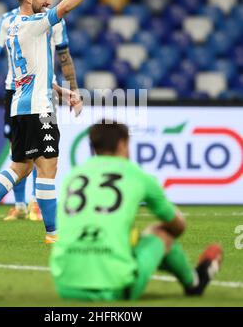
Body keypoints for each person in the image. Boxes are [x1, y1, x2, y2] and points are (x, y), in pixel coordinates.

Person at [0, 0, 108, 245]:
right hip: (39, 111)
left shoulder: (14, 27)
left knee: (21, 167)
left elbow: (31, 72)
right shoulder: (36, 25)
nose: (49, 0)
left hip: (21, 107)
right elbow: (66, 7)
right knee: (48, 167)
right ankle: (53, 234)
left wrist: (59, 89)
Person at [50, 120, 223, 300]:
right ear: (122, 144)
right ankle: (194, 282)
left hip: (65, 285)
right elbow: (178, 227)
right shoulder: (137, 175)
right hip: (115, 288)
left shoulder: (72, 176)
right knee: (160, 233)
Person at [0, 0, 82, 222]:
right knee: (32, 156)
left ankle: (32, 203)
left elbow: (63, 55)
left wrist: (70, 90)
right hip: (28, 93)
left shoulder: (24, 21)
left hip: (36, 92)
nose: (48, 1)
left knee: (29, 157)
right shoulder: (27, 20)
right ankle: (24, 206)